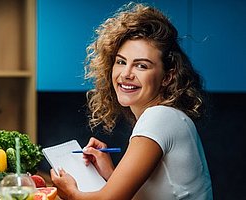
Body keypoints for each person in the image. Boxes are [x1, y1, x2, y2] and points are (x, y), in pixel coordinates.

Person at [50, 2, 213, 200]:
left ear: (167, 77)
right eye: (120, 62)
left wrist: (71, 193)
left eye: (141, 66)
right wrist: (110, 173)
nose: (126, 74)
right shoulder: (169, 116)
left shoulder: (159, 117)